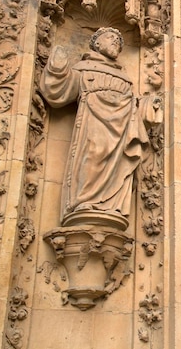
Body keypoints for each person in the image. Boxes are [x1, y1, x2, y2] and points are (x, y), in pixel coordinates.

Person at [40, 27, 162, 230]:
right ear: (97, 43)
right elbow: (60, 89)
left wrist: (149, 104)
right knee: (92, 157)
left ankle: (111, 207)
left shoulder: (123, 78)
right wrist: (58, 65)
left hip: (121, 134)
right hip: (93, 127)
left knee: (119, 169)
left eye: (119, 41)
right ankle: (84, 202)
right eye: (110, 38)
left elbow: (133, 108)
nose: (116, 43)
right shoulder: (85, 68)